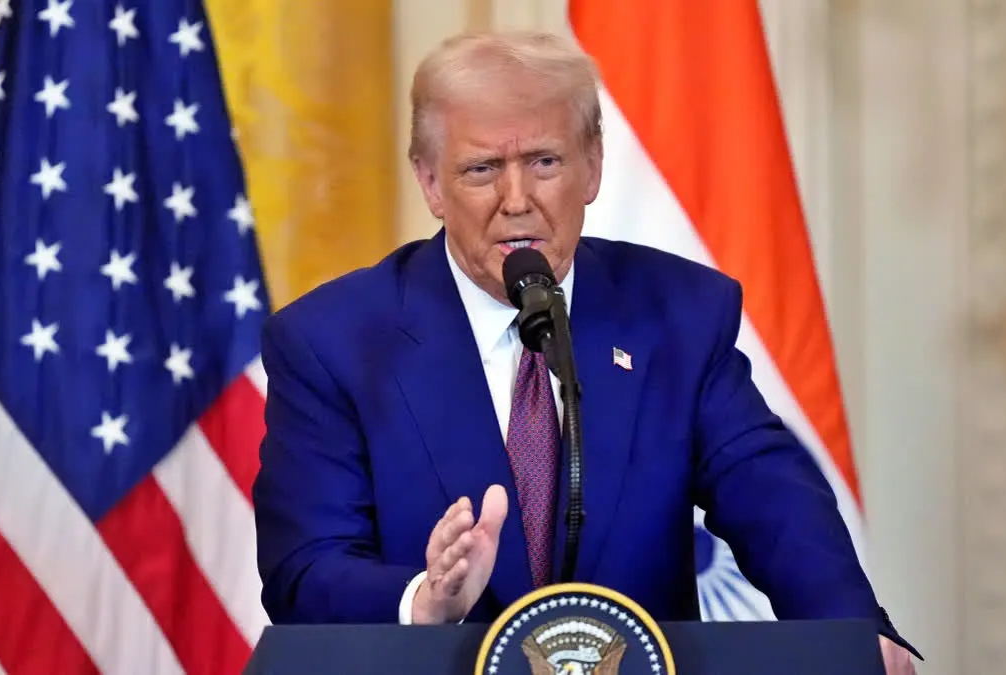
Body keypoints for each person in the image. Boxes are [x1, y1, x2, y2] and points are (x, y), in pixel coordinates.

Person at [252, 29, 920, 672]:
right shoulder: (333, 342)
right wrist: (422, 600)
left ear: (593, 166)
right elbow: (302, 569)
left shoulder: (678, 315)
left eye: (544, 161)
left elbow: (775, 500)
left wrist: (855, 634)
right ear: (431, 184)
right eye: (482, 169)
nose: (518, 201)